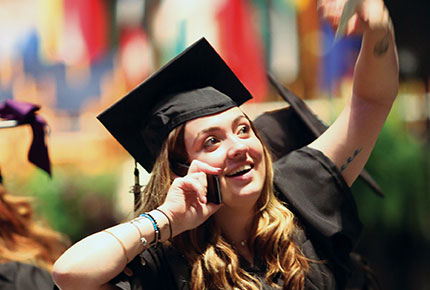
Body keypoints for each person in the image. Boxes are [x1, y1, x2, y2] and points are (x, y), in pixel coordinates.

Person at [52, 0, 398, 289]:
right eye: (212, 141)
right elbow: (69, 275)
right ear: (180, 170)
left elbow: (368, 104)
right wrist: (164, 220)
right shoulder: (166, 263)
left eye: (244, 129)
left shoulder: (300, 190)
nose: (238, 146)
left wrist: (379, 34)